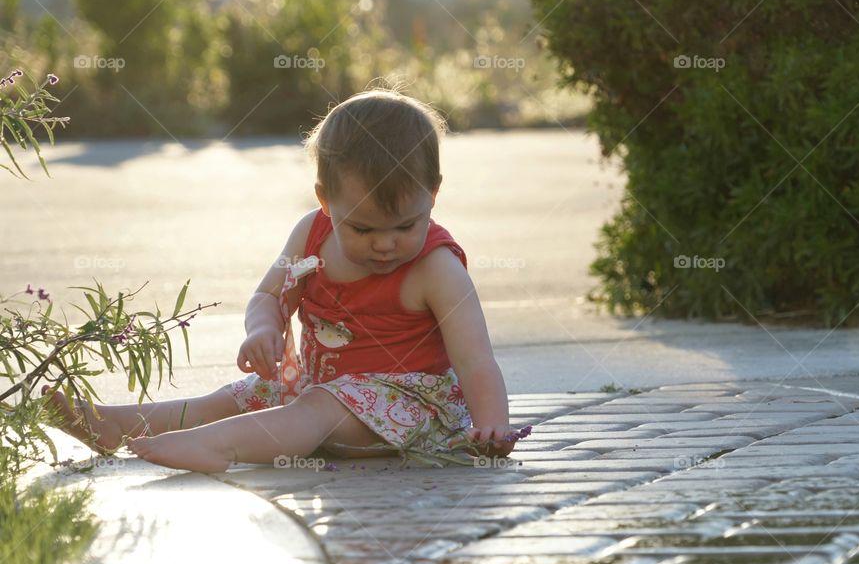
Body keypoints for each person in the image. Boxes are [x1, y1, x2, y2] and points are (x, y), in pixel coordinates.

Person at [44, 88, 517, 473]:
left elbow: (475, 359)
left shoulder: (436, 268)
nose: (385, 245)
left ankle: (218, 449)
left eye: (405, 226)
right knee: (231, 398)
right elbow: (269, 294)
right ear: (326, 201)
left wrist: (493, 427)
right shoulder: (310, 234)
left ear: (433, 195)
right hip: (316, 388)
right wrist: (263, 329)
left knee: (318, 408)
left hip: (407, 410)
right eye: (363, 228)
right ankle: (114, 426)